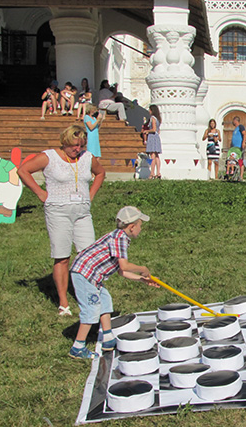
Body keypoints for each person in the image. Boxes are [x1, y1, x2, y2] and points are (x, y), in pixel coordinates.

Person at [17, 124, 106, 317]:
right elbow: (23, 170)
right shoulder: (49, 157)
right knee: (62, 256)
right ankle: (63, 302)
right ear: (64, 142)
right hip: (58, 211)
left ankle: (90, 295)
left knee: (88, 254)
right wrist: (40, 193)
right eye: (74, 145)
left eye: (81, 145)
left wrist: (90, 194)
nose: (77, 149)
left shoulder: (87, 158)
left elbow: (100, 173)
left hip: (82, 212)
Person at [67, 206, 157, 359]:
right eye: (140, 226)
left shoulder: (120, 237)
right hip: (84, 274)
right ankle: (78, 347)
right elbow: (125, 266)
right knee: (91, 310)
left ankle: (108, 338)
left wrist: (142, 279)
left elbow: (122, 272)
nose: (141, 229)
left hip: (93, 276)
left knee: (105, 300)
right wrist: (143, 269)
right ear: (132, 227)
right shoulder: (119, 238)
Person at [144, 105, 162, 179]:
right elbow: (158, 130)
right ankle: (158, 172)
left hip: (152, 137)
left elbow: (154, 129)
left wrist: (147, 131)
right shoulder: (158, 119)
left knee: (153, 155)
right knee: (157, 156)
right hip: (157, 136)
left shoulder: (153, 118)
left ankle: (152, 173)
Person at [230, 116, 246, 180]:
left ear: (235, 121)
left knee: (240, 160)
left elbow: (244, 134)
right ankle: (234, 175)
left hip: (239, 147)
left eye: (233, 121)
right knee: (234, 161)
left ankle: (241, 176)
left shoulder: (240, 127)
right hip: (234, 147)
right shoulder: (235, 129)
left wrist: (243, 142)